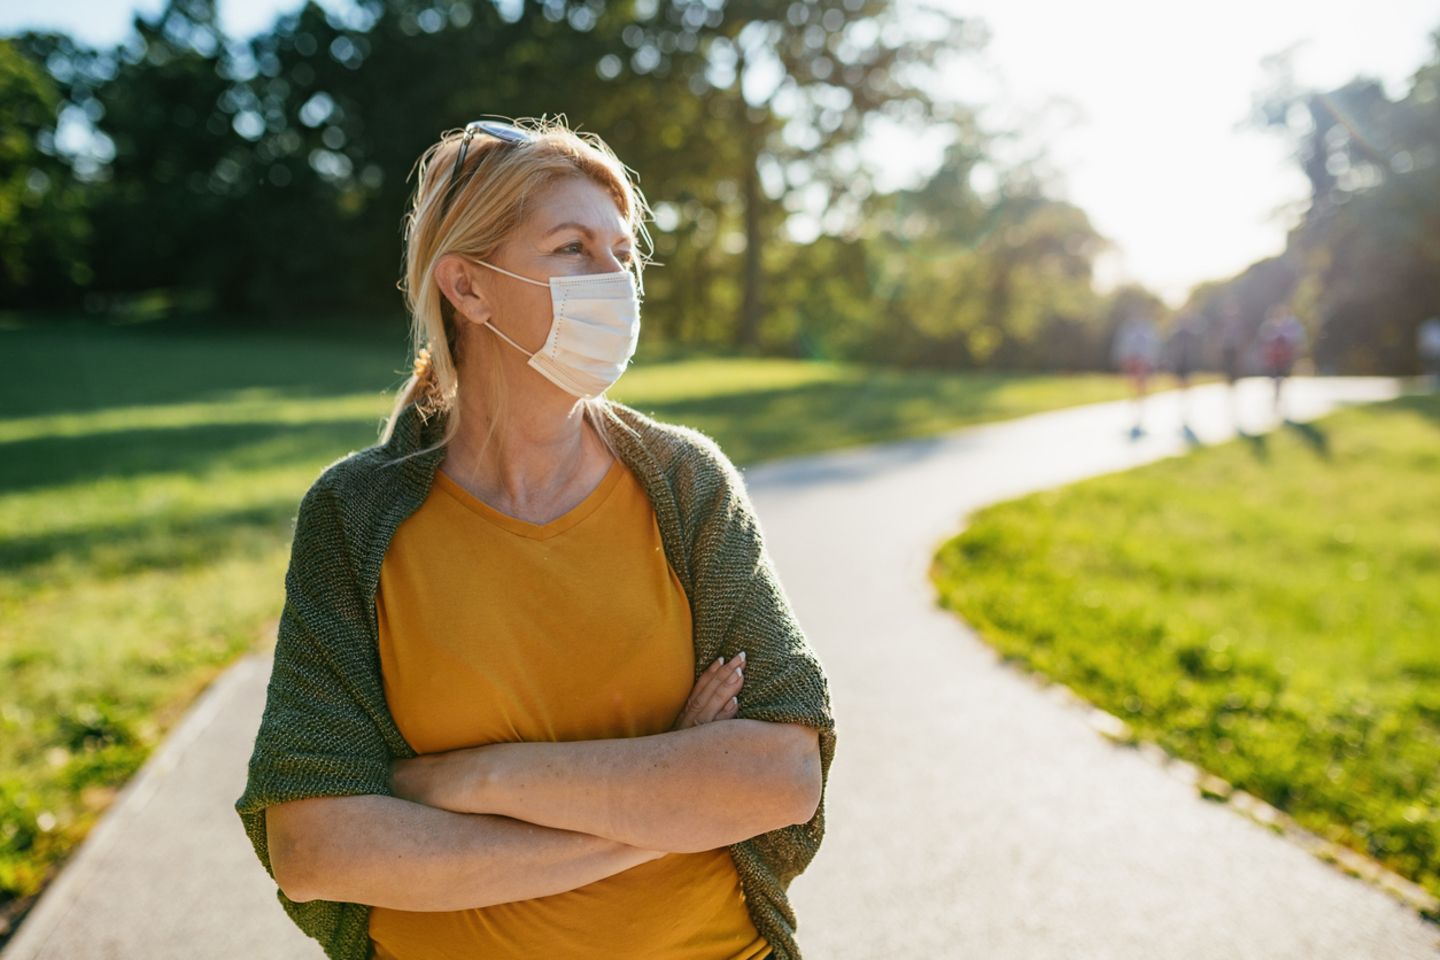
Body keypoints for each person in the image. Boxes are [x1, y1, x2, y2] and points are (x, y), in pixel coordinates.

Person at [234, 117, 835, 960]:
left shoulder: (686, 484)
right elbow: (315, 847)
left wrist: (464, 779)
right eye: (572, 248)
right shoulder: (355, 516)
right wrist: (662, 812)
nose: (614, 279)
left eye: (623, 253)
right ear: (468, 289)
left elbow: (780, 777)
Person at [1112, 308, 1160, 436]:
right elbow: (1123, 347)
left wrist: (1149, 362)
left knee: (1142, 388)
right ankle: (1134, 408)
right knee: (1133, 387)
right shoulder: (1128, 329)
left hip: (1143, 362)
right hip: (1132, 362)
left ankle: (1140, 410)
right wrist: (1126, 361)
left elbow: (1152, 347)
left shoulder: (1148, 329)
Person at [1257, 306, 1307, 418]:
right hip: (1274, 358)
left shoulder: (1289, 327)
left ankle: (1278, 397)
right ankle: (1276, 397)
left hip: (1284, 358)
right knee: (1276, 379)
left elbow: (1295, 342)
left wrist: (1295, 353)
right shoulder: (1269, 326)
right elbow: (1265, 344)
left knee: (1281, 378)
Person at [1419, 315, 1440, 387]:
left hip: (1435, 352)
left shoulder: (1436, 326)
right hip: (1429, 352)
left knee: (1436, 368)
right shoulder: (1425, 327)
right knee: (1430, 368)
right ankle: (1430, 384)